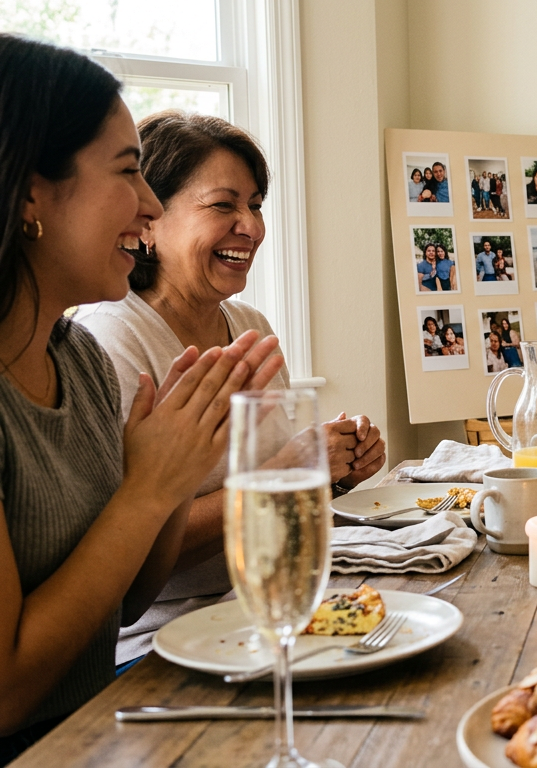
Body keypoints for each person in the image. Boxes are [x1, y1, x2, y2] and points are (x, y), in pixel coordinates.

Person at [0, 35, 284, 758]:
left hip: (106, 725)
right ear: (31, 189)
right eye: (129, 172)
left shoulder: (81, 360)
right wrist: (148, 488)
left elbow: (122, 600)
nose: (150, 203)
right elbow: (6, 696)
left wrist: (176, 470)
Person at [76, 111, 387, 665]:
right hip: (166, 644)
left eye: (257, 205)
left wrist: (335, 470)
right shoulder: (110, 339)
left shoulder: (250, 325)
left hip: (275, 609)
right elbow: (127, 556)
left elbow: (276, 493)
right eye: (224, 205)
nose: (253, 226)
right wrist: (291, 468)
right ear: (148, 219)